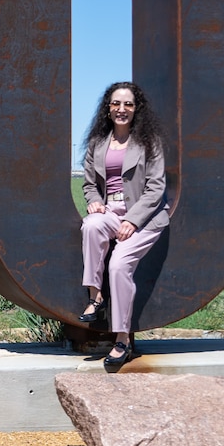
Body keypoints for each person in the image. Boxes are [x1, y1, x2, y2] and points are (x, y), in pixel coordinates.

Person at [79, 81, 169, 369]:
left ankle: (122, 339)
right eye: (116, 103)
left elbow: (156, 188)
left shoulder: (149, 142)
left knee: (118, 266)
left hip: (144, 216)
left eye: (128, 104)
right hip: (110, 209)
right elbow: (89, 184)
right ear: (108, 109)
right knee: (91, 226)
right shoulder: (97, 143)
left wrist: (132, 220)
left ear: (136, 109)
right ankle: (95, 296)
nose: (122, 109)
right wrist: (93, 200)